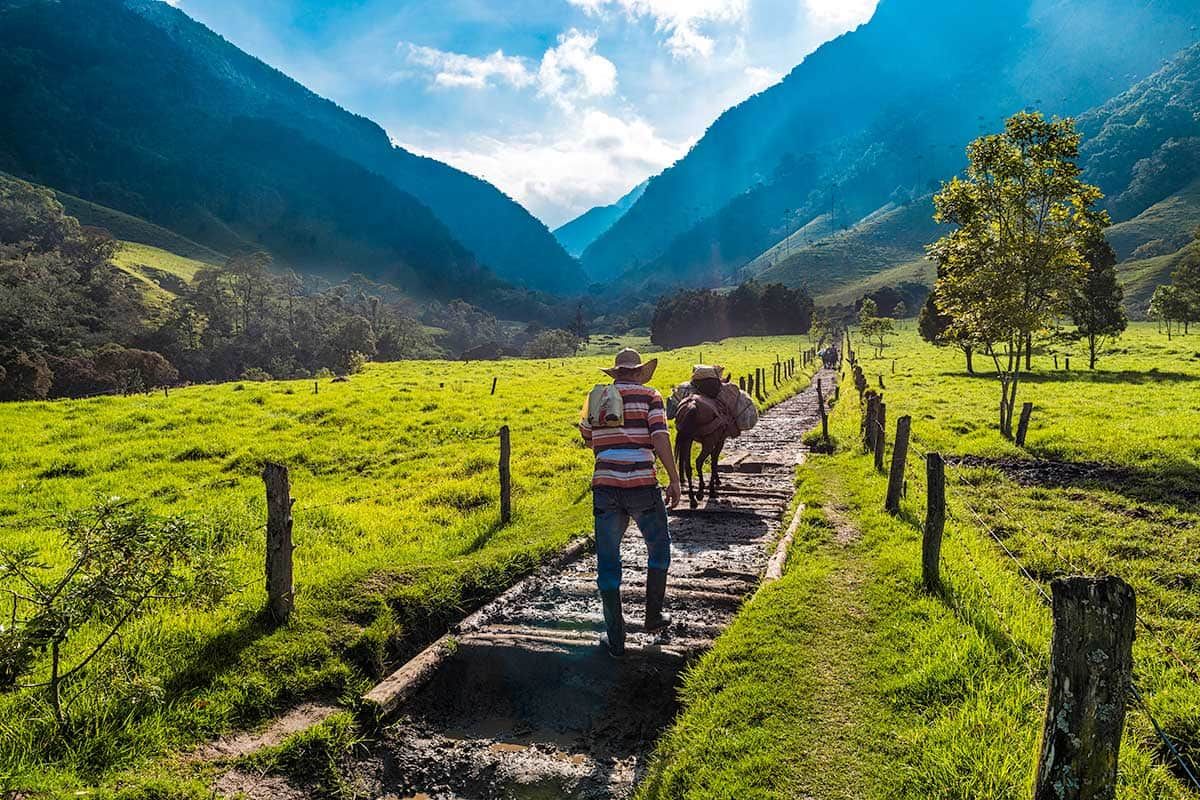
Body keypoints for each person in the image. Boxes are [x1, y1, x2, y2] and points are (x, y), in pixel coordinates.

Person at [579, 348, 682, 657]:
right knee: (658, 548)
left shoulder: (596, 397)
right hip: (642, 485)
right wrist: (674, 478)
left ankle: (616, 639)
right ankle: (652, 618)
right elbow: (660, 437)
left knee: (609, 560)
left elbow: (586, 437)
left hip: (606, 487)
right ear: (638, 372)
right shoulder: (651, 396)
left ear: (615, 373)